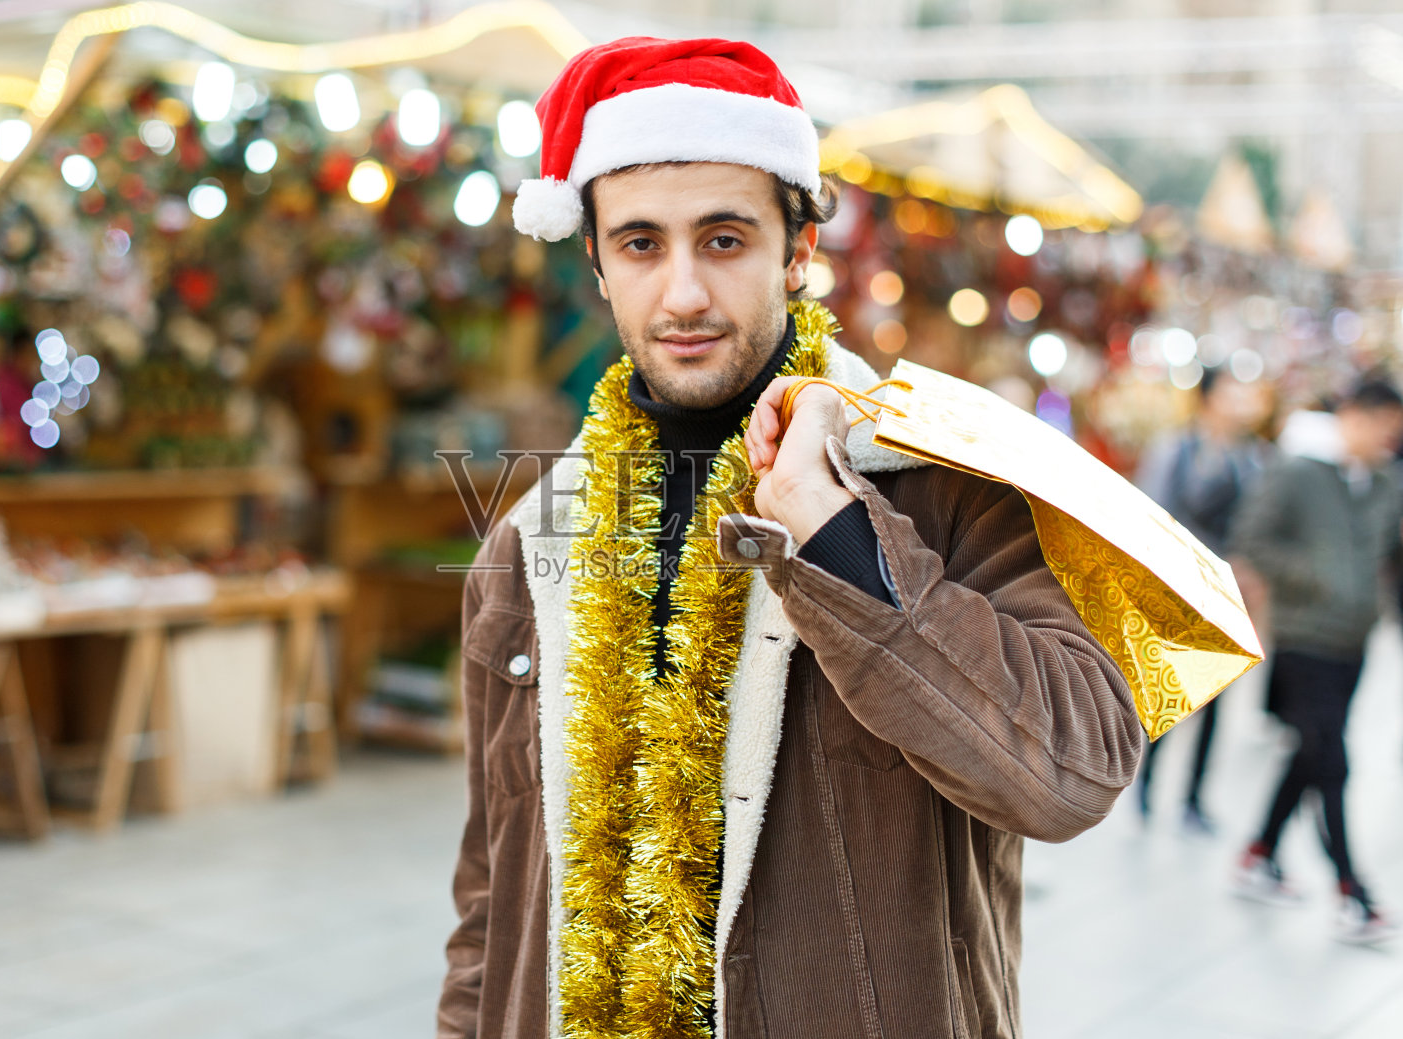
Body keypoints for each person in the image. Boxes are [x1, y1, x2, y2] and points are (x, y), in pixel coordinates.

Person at [437, 37, 1143, 1039]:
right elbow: (489, 898)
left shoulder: (942, 491)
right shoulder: (525, 544)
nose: (682, 293)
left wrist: (835, 529)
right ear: (595, 262)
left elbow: (1073, 772)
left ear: (798, 252)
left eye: (723, 240)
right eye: (641, 244)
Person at [1230, 379, 1403, 945]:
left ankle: (1260, 852)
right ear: (1351, 416)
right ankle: (1353, 892)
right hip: (1305, 637)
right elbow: (1253, 538)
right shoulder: (1299, 473)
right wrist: (1316, 578)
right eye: (1380, 422)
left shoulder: (1384, 484)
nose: (1388, 434)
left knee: (1312, 753)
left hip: (1353, 642)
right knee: (1332, 760)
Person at [1132, 367, 1271, 832]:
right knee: (1171, 690)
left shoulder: (1252, 457)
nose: (1241, 404)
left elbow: (1257, 523)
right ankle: (1147, 785)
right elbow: (1150, 513)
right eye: (1232, 394)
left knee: (1215, 699)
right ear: (1209, 399)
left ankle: (1194, 796)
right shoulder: (1176, 450)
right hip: (1177, 586)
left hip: (1224, 592)